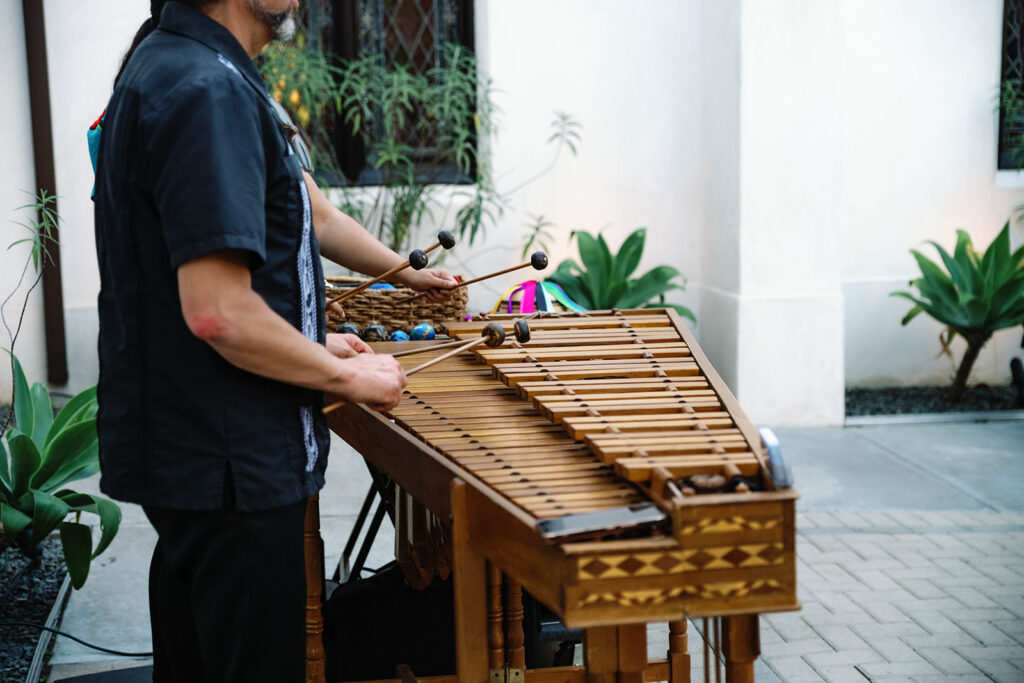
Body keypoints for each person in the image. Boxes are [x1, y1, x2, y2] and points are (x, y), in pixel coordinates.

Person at [91, 1, 457, 680]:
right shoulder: (205, 88)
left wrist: (319, 343)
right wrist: (347, 377)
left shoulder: (180, 66)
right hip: (230, 459)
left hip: (196, 455)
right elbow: (219, 313)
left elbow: (273, 239)